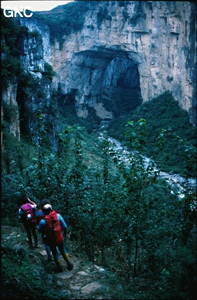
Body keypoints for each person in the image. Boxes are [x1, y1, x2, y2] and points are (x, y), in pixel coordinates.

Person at [38, 203, 74, 272]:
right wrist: (64, 234)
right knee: (63, 250)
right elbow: (65, 226)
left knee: (54, 253)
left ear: (43, 211)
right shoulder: (58, 216)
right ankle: (69, 264)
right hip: (59, 237)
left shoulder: (42, 221)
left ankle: (59, 267)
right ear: (51, 209)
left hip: (50, 240)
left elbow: (39, 230)